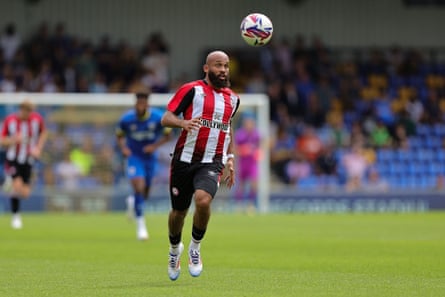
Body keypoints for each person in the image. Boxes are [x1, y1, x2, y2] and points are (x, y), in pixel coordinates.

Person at [161, 50, 239, 280]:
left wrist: (230, 158)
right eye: (217, 65)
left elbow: (228, 128)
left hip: (211, 161)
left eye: (225, 66)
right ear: (206, 68)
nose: (222, 70)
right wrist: (182, 123)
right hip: (183, 161)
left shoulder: (232, 99)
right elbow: (166, 117)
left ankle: (195, 247)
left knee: (203, 200)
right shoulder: (191, 90)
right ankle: (175, 250)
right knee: (178, 213)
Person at [116, 88, 172, 240]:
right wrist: (124, 148)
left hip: (150, 157)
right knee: (139, 187)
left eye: (144, 103)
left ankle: (133, 201)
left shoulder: (157, 117)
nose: (141, 105)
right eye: (138, 103)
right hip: (134, 157)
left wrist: (154, 147)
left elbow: (168, 135)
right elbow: (119, 135)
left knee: (145, 191)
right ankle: (141, 226)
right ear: (136, 104)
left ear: (147, 104)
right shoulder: (126, 119)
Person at [0, 99, 47, 229]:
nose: (29, 114)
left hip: (28, 159)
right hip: (13, 159)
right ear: (21, 110)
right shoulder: (10, 121)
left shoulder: (37, 119)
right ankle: (16, 217)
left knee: (25, 193)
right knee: (17, 187)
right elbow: (2, 141)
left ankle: (7, 185)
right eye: (27, 111)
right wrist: (14, 140)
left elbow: (43, 133)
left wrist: (38, 148)